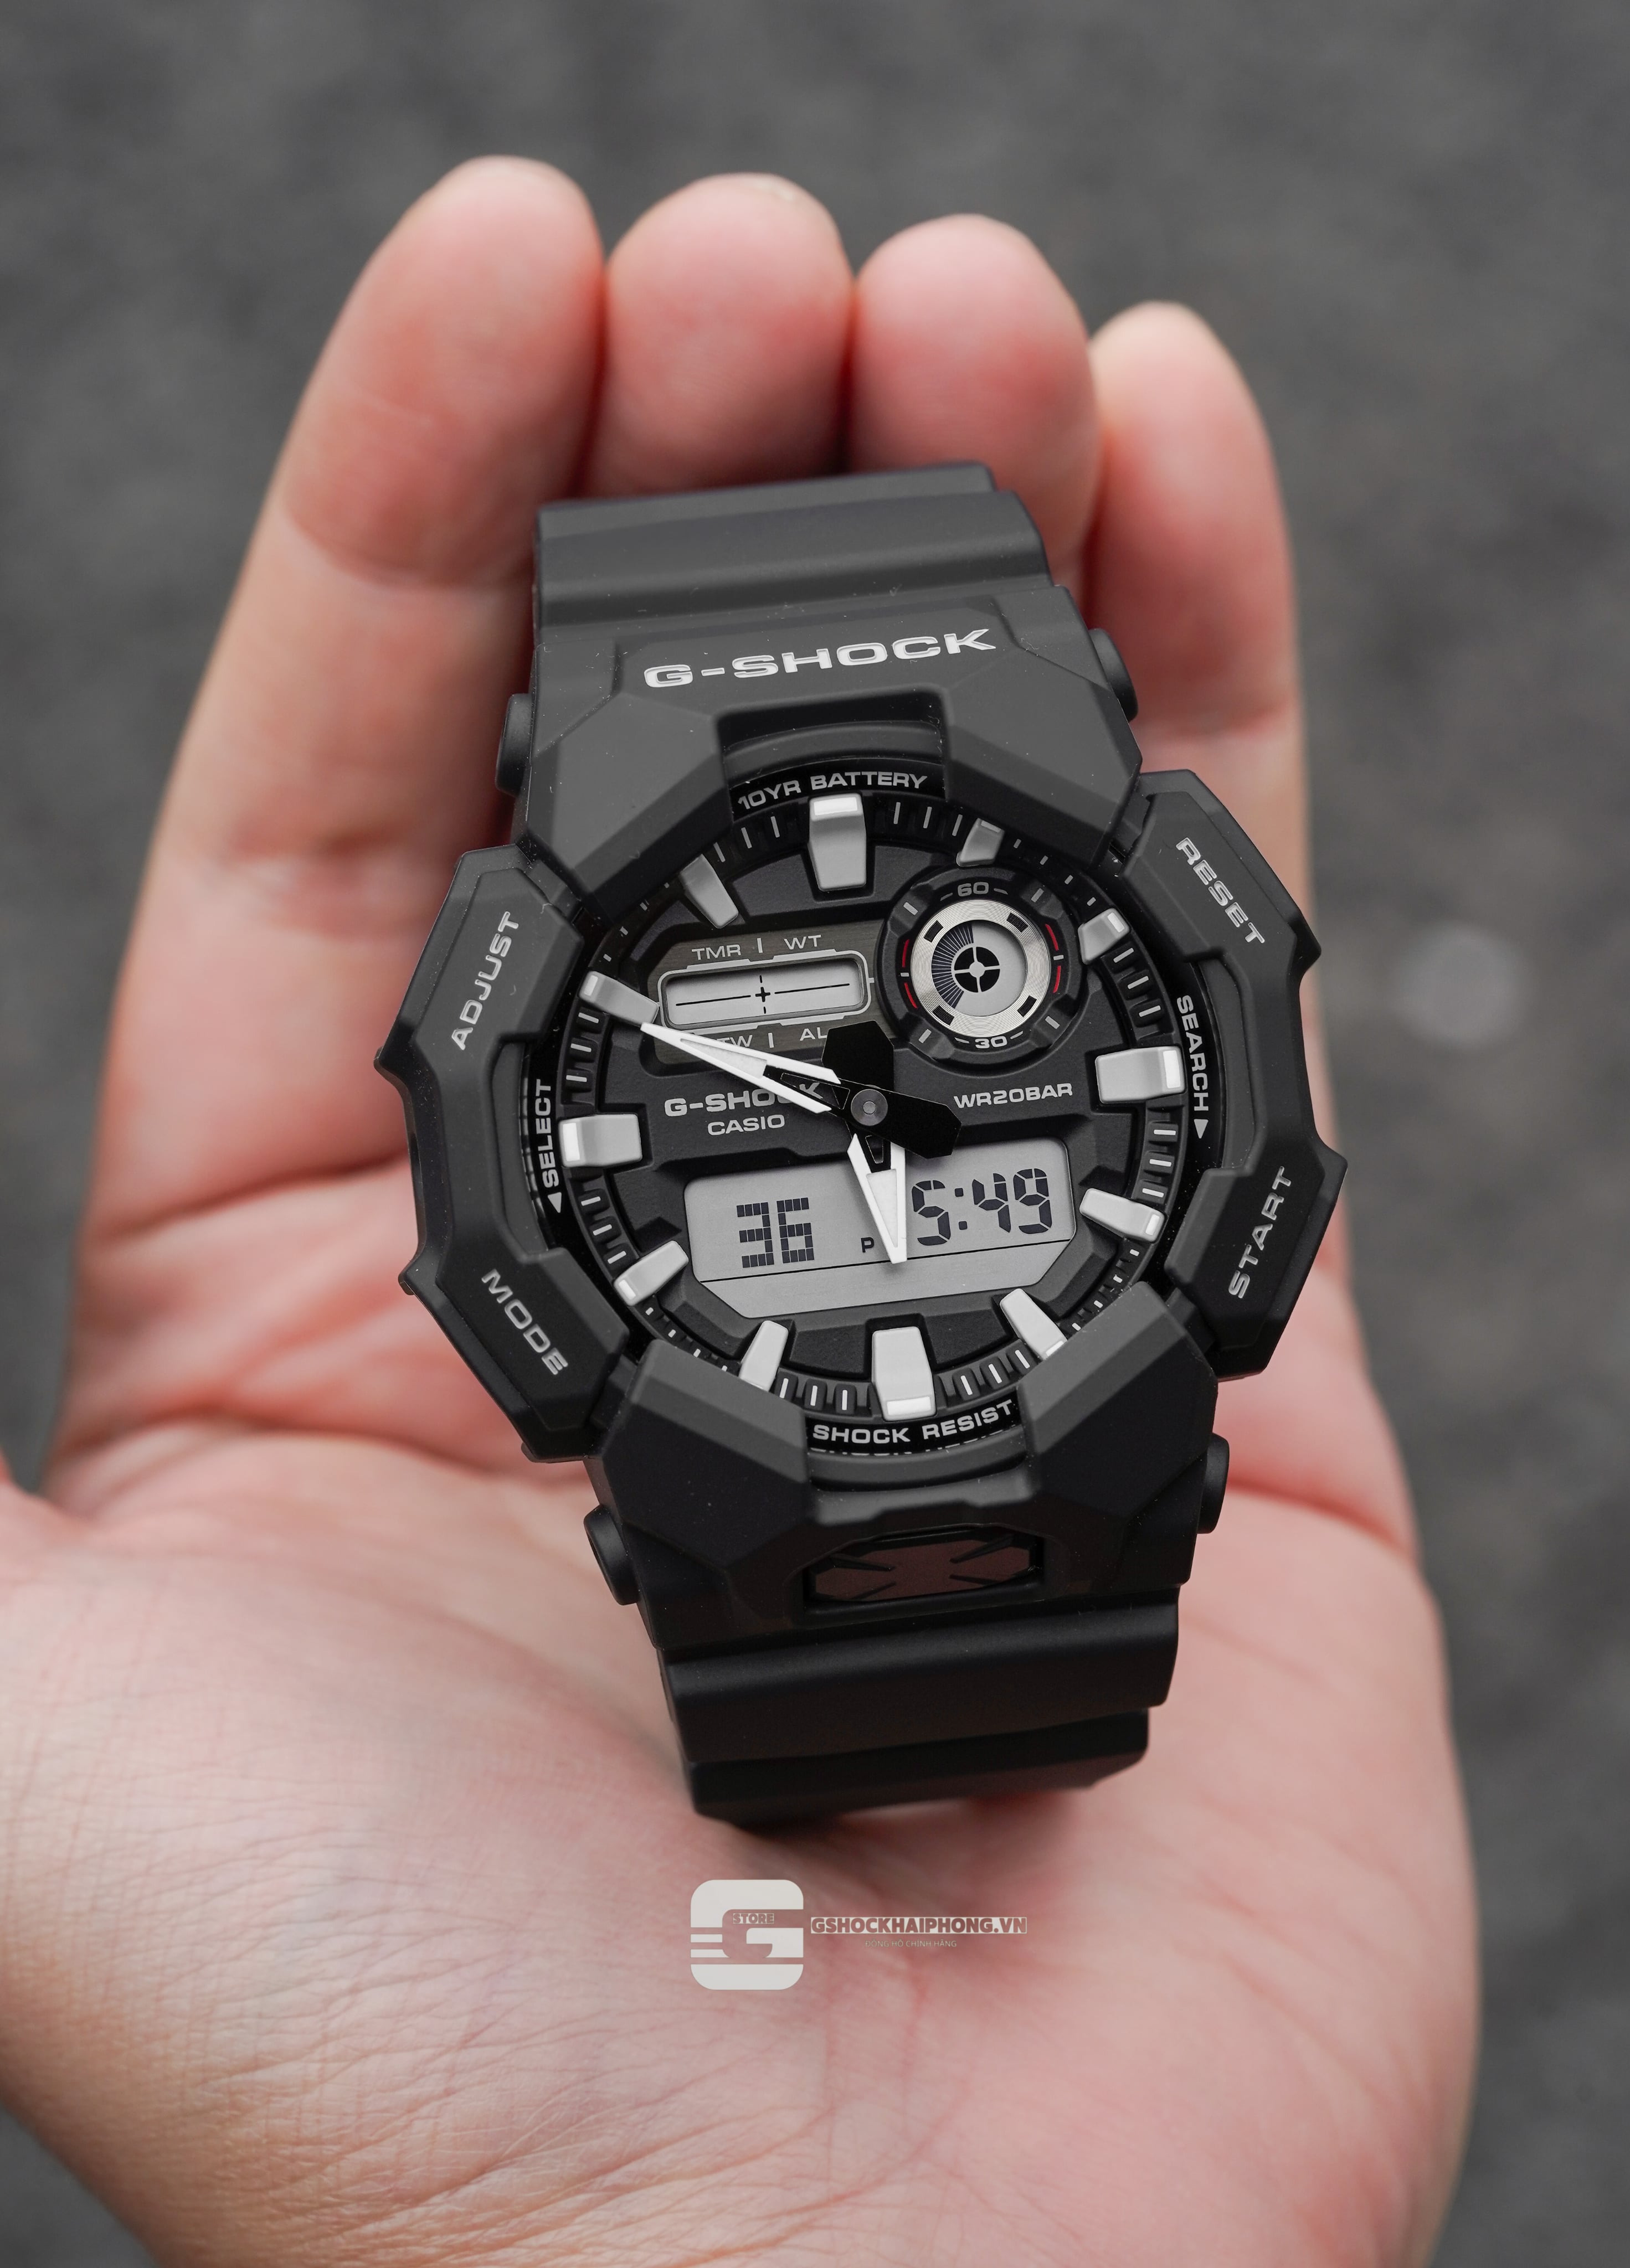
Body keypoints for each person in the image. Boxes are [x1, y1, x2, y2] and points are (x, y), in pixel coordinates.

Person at [0, 162, 1477, 2264]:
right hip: (788, 1457)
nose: (873, 1118)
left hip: (992, 1426)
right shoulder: (592, 1131)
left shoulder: (1086, 1036)